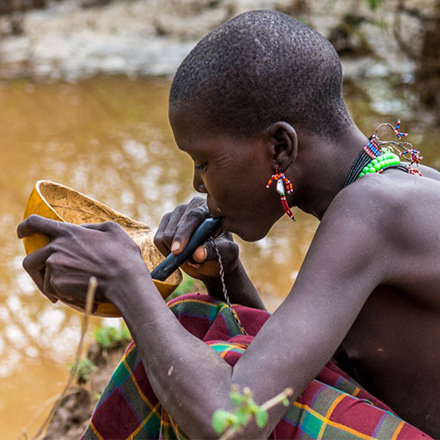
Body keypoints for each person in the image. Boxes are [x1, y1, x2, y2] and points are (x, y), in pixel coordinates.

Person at [17, 10, 439, 439]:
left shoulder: (372, 212)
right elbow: (298, 371)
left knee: (200, 363)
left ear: (279, 147)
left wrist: (125, 280)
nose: (197, 183)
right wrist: (227, 277)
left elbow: (234, 423)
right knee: (194, 321)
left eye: (203, 162)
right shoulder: (385, 192)